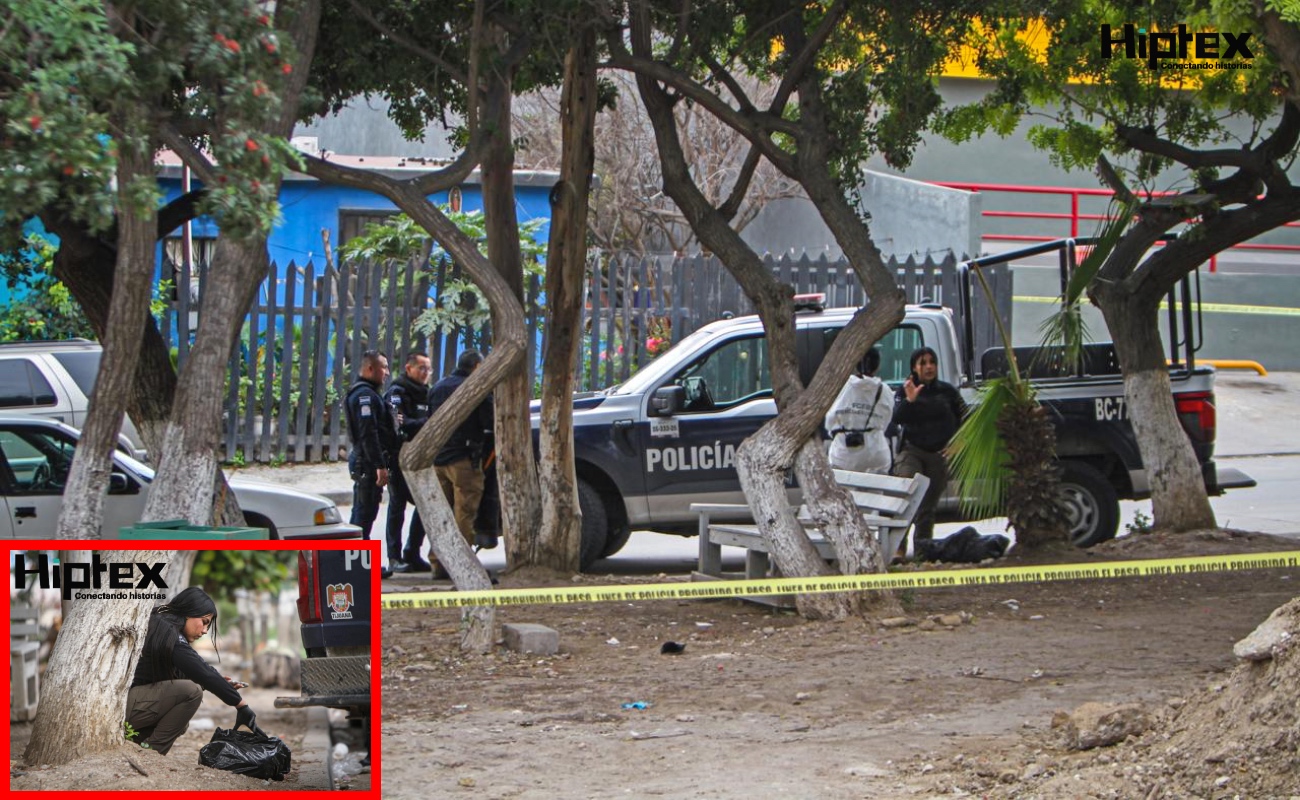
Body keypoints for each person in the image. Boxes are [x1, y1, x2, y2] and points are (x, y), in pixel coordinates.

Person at [126, 587, 257, 755]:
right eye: (204, 622)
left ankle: (134, 744)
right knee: (191, 692)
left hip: (131, 704)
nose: (204, 631)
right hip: (122, 708)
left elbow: (195, 670)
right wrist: (240, 705)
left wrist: (219, 682)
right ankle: (151, 753)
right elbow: (202, 671)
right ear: (189, 612)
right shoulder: (167, 631)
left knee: (180, 719)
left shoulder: (162, 623)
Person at [888, 346, 966, 552]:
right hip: (912, 451)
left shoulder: (947, 392)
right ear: (914, 367)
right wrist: (910, 399)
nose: (929, 367)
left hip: (939, 454)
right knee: (906, 499)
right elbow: (897, 417)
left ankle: (923, 550)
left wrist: (959, 444)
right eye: (923, 363)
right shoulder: (905, 390)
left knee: (927, 508)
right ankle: (898, 549)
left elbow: (966, 419)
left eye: (932, 362)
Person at [428, 349, 494, 578]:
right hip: (464, 461)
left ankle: (437, 563)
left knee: (441, 514)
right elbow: (490, 422)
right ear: (476, 367)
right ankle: (461, 565)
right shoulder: (476, 389)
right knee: (464, 513)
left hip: (438, 460)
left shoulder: (438, 387)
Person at [344, 351, 397, 580]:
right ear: (369, 369)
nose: (386, 372)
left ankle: (360, 565)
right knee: (363, 514)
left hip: (366, 460)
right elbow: (368, 434)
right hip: (367, 462)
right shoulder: (365, 396)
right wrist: (379, 465)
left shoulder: (369, 394)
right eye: (383, 367)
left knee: (366, 512)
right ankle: (357, 567)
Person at [384, 351, 434, 573]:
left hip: (422, 459)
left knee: (425, 506)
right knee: (397, 506)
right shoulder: (397, 392)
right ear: (409, 368)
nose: (425, 373)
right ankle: (394, 558)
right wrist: (425, 422)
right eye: (421, 368)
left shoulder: (427, 393)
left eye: (428, 369)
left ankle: (412, 552)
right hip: (398, 458)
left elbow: (414, 422)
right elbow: (400, 425)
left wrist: (418, 422)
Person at [825, 347, 894, 473]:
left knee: (844, 491)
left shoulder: (841, 388)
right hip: (877, 453)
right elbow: (886, 419)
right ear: (877, 366)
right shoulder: (885, 390)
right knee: (876, 492)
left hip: (843, 454)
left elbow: (830, 419)